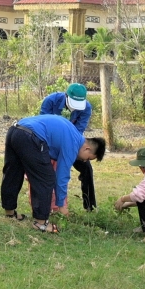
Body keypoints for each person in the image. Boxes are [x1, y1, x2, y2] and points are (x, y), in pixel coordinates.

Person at [0, 114, 106, 234]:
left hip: (15, 130)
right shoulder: (73, 144)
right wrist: (61, 205)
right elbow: (61, 177)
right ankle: (41, 223)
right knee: (46, 179)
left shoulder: (72, 132)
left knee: (13, 172)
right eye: (88, 158)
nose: (85, 161)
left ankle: (10, 213)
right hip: (31, 137)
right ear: (87, 149)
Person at [39, 83, 97, 211]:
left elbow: (78, 131)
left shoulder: (86, 108)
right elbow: (43, 125)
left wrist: (68, 151)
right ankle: (46, 207)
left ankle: (90, 206)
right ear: (66, 96)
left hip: (71, 143)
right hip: (49, 143)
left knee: (86, 168)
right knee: (48, 172)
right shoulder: (51, 101)